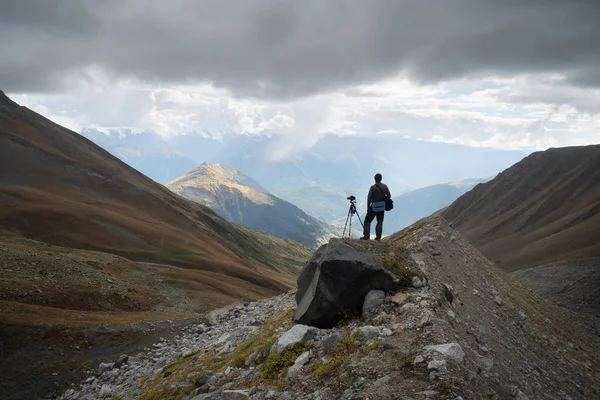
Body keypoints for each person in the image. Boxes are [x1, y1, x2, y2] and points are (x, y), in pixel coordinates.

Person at [360, 173, 391, 241]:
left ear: (375, 179)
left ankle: (366, 236)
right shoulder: (385, 186)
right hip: (382, 207)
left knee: (367, 221)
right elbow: (389, 195)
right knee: (379, 221)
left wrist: (368, 208)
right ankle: (378, 237)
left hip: (374, 207)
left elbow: (369, 198)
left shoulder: (373, 187)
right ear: (381, 179)